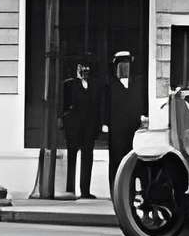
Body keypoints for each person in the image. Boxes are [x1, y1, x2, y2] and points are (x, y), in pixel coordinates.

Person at [60, 57, 102, 197]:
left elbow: (97, 107)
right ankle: (70, 189)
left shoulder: (94, 85)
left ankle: (85, 191)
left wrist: (97, 126)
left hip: (89, 128)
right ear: (77, 69)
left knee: (87, 159)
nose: (85, 70)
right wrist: (65, 122)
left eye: (87, 67)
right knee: (72, 158)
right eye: (81, 67)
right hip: (73, 128)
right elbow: (63, 106)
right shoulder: (69, 84)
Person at [107, 49, 142, 181]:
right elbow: (106, 105)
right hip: (116, 129)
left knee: (131, 159)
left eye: (127, 65)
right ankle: (114, 187)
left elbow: (140, 104)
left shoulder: (136, 85)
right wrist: (105, 123)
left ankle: (130, 188)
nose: (124, 68)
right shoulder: (111, 85)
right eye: (121, 65)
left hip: (132, 128)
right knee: (116, 159)